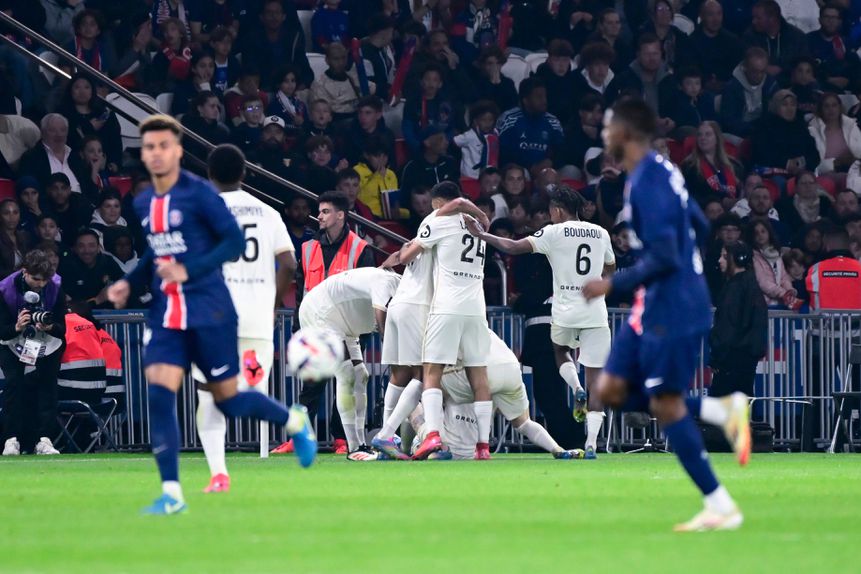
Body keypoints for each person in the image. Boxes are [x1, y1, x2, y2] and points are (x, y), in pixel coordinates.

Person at [106, 115, 315, 515]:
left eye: (163, 146)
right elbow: (155, 251)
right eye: (149, 147)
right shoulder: (144, 201)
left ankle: (292, 421)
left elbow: (234, 242)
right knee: (159, 396)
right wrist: (129, 283)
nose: (156, 154)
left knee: (230, 400)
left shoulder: (201, 195)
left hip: (211, 311)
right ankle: (172, 494)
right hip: (168, 316)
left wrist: (190, 269)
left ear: (178, 151)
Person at [582, 99, 750, 531]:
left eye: (608, 127)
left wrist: (611, 283)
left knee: (667, 404)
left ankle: (720, 504)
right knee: (612, 391)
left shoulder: (647, 182)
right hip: (655, 301)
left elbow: (668, 254)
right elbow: (699, 225)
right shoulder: (662, 172)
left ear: (627, 133)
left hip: (672, 304)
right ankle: (719, 411)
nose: (603, 134)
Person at [467, 186, 615, 458]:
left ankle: (576, 387)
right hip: (595, 311)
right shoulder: (601, 232)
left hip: (565, 311)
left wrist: (481, 234)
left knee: (561, 351)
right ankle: (592, 444)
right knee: (597, 378)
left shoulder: (553, 232)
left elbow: (512, 246)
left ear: (557, 211)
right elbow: (610, 269)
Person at [195, 144, 298, 493]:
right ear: (244, 173)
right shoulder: (268, 212)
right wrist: (271, 304)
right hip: (256, 320)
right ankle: (291, 424)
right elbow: (289, 265)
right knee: (254, 386)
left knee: (209, 396)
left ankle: (219, 473)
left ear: (210, 174)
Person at [372, 191, 490, 460]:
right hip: (431, 306)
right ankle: (390, 434)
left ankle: (387, 434)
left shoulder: (435, 223)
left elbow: (402, 257)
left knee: (401, 375)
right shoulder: (476, 229)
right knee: (425, 374)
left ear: (439, 203)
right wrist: (483, 217)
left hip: (402, 303)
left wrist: (394, 257)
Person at [271, 190, 375, 456]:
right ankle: (299, 437)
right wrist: (297, 327)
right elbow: (302, 291)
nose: (319, 216)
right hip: (315, 326)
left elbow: (367, 293)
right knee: (311, 386)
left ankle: (341, 439)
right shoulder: (307, 249)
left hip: (348, 329)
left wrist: (361, 331)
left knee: (347, 381)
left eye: (326, 211)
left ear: (341, 215)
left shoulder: (361, 248)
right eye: (320, 211)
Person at [410, 329, 585, 460]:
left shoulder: (448, 329)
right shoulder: (481, 328)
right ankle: (559, 450)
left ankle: (431, 444)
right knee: (524, 422)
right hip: (510, 370)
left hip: (483, 379)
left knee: (428, 383)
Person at [297, 267, 401, 460]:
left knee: (362, 375)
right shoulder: (387, 281)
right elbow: (381, 318)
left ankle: (361, 444)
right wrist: (395, 355)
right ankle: (354, 448)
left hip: (344, 323)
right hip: (321, 312)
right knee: (347, 374)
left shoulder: (405, 292)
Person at [0, 250, 66, 456]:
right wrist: (17, 327)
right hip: (13, 340)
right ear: (24, 272)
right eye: (36, 279)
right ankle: (11, 440)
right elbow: (1, 330)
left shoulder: (55, 286)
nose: (40, 284)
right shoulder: (4, 289)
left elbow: (62, 328)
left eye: (44, 280)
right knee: (13, 385)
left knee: (48, 387)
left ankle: (44, 440)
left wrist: (50, 327)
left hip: (46, 341)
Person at [709, 241, 768, 397]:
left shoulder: (734, 289)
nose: (719, 260)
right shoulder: (751, 284)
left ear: (735, 259)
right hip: (746, 359)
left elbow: (727, 327)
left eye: (724, 256)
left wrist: (717, 357)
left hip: (731, 360)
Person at [496, 77, 564, 172]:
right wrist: (530, 167)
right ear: (525, 100)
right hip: (517, 170)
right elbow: (502, 152)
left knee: (571, 171)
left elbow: (560, 150)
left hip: (546, 171)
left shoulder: (553, 121)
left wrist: (550, 161)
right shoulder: (509, 118)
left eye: (545, 96)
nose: (544, 101)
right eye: (539, 97)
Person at [681, 121, 743, 209]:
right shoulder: (689, 167)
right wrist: (722, 201)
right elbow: (691, 196)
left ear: (717, 139)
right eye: (700, 135)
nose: (703, 138)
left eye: (708, 134)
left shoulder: (734, 166)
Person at [720, 47, 778, 138]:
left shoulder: (771, 85)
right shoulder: (732, 88)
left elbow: (774, 114)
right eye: (754, 71)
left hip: (764, 132)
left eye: (762, 72)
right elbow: (729, 121)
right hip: (738, 134)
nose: (759, 76)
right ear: (745, 67)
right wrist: (754, 131)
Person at [58, 229, 124, 309]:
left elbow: (124, 286)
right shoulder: (66, 267)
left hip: (109, 314)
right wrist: (97, 300)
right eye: (81, 246)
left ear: (99, 248)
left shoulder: (108, 262)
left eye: (91, 245)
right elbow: (68, 305)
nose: (87, 251)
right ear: (75, 249)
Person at [806, 228, 861, 310]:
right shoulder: (859, 267)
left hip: (825, 322)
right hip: (857, 322)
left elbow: (814, 304)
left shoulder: (816, 269)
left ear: (827, 245)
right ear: (848, 245)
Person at [748, 218, 797, 307]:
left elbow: (784, 277)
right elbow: (763, 283)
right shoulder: (753, 257)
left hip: (779, 303)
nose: (760, 235)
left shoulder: (777, 254)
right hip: (762, 305)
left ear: (769, 233)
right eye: (756, 233)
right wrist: (783, 293)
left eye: (763, 231)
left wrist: (789, 290)